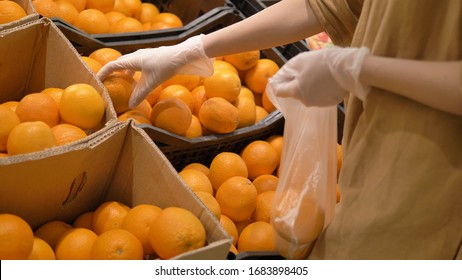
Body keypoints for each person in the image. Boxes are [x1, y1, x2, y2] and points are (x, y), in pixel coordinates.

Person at [97, 0, 462, 259]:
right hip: (370, 155)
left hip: (434, 193)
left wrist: (360, 70)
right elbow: (328, 5)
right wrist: (194, 48)